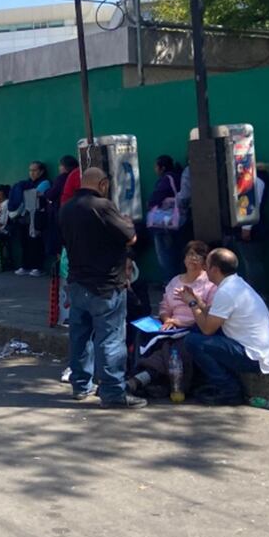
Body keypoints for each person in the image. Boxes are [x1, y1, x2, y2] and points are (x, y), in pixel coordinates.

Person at [60, 167, 146, 409]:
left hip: (77, 282)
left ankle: (80, 385)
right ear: (103, 184)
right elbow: (131, 237)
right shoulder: (103, 206)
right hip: (106, 284)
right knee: (110, 339)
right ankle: (112, 392)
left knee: (79, 336)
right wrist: (126, 222)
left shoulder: (66, 209)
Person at [178, 248, 269, 405]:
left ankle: (229, 390)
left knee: (193, 341)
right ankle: (207, 380)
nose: (204, 269)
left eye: (207, 265)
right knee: (196, 330)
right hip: (255, 349)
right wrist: (198, 302)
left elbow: (208, 329)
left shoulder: (227, 291)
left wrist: (191, 304)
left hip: (253, 356)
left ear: (215, 269)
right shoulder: (235, 284)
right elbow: (213, 316)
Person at [128, 241, 217, 396]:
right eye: (190, 254)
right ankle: (144, 377)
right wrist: (167, 319)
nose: (193, 258)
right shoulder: (175, 281)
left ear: (205, 261)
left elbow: (209, 313)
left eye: (198, 255)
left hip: (194, 327)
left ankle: (143, 378)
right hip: (170, 326)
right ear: (184, 259)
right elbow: (164, 307)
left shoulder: (209, 285)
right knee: (143, 337)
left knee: (172, 347)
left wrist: (180, 322)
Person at [229, 164, 269, 294]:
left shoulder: (254, 180)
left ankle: (256, 294)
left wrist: (246, 227)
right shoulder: (260, 178)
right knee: (252, 261)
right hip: (254, 225)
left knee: (251, 262)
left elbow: (251, 204)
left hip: (252, 227)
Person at [148, 154, 184, 284]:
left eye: (156, 166)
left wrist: (150, 204)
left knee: (165, 256)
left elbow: (155, 200)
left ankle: (170, 284)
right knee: (174, 253)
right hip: (177, 222)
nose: (155, 169)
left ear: (161, 168)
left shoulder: (166, 180)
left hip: (163, 225)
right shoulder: (178, 177)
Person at [11, 162, 52, 277]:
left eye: (34, 170)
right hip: (24, 217)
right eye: (30, 170)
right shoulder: (26, 183)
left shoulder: (45, 182)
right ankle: (25, 266)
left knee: (36, 242)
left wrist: (24, 194)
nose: (32, 173)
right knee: (24, 242)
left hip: (37, 217)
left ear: (41, 171)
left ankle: (37, 267)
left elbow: (35, 195)